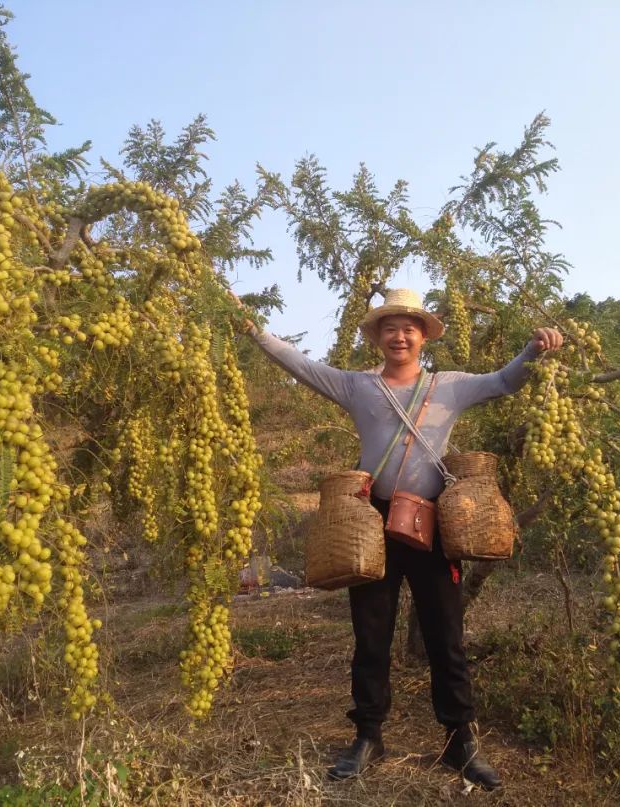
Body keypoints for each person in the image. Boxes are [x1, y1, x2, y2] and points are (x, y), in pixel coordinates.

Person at [233, 287, 563, 789]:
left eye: (410, 327)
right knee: (370, 633)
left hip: (432, 526)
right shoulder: (356, 387)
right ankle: (368, 735)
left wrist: (533, 351)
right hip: (371, 525)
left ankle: (459, 740)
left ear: (424, 337)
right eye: (391, 327)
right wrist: (251, 327)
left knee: (445, 635)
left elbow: (503, 381)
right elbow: (298, 363)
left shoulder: (450, 386)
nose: (400, 335)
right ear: (377, 337)